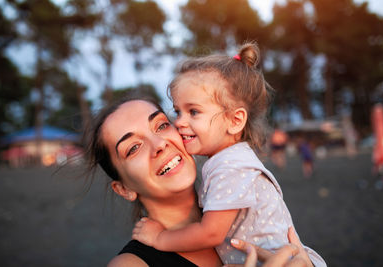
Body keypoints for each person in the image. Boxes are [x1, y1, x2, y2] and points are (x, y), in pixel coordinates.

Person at [132, 42, 326, 266]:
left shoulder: (231, 166)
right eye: (177, 111)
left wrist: (160, 238)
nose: (180, 122)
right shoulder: (229, 160)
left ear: (235, 121)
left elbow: (211, 233)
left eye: (193, 111)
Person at [85, 92, 315, 267]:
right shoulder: (131, 264)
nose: (159, 144)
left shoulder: (248, 218)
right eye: (133, 147)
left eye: (162, 125)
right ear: (123, 189)